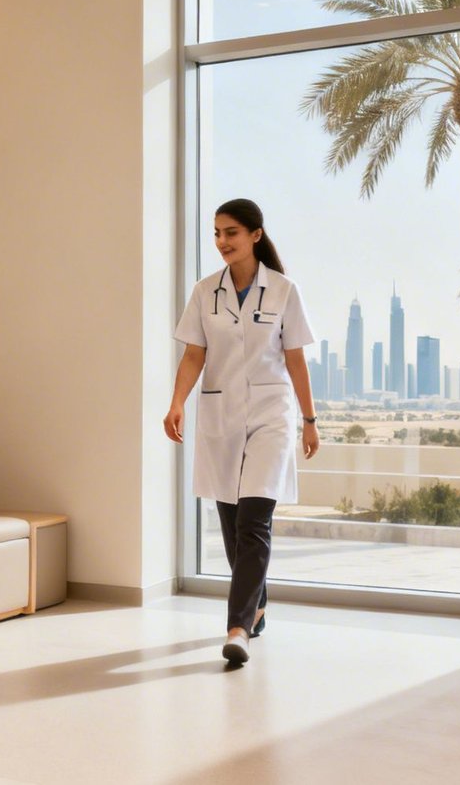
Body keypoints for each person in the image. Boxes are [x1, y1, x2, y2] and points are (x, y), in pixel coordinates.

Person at [163, 198, 318, 666]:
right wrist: (176, 403)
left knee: (254, 522)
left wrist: (310, 421)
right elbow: (195, 354)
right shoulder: (205, 291)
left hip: (271, 415)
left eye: (231, 232)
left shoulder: (284, 291)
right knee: (232, 527)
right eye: (216, 233)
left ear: (255, 234)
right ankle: (258, 604)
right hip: (221, 415)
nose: (222, 242)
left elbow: (295, 359)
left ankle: (237, 629)